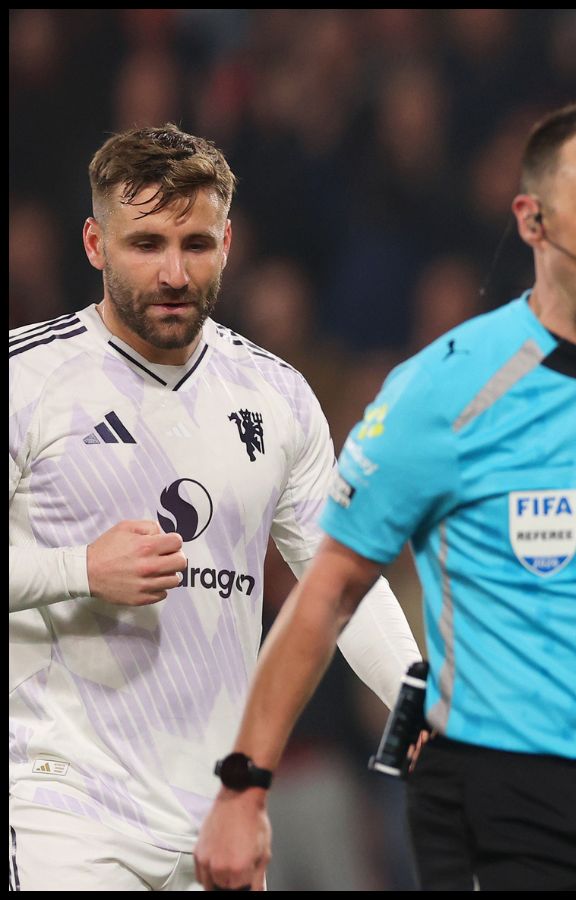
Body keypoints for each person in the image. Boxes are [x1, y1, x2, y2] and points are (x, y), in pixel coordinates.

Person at [194, 101, 576, 891]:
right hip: (502, 797)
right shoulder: (443, 392)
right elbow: (327, 592)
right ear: (531, 220)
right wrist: (243, 787)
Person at [8, 124, 421, 890]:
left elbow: (341, 581)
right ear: (95, 244)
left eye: (195, 244)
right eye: (147, 244)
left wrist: (413, 698)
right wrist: (80, 568)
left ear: (228, 242)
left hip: (215, 815)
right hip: (62, 802)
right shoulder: (26, 380)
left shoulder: (277, 396)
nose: (173, 271)